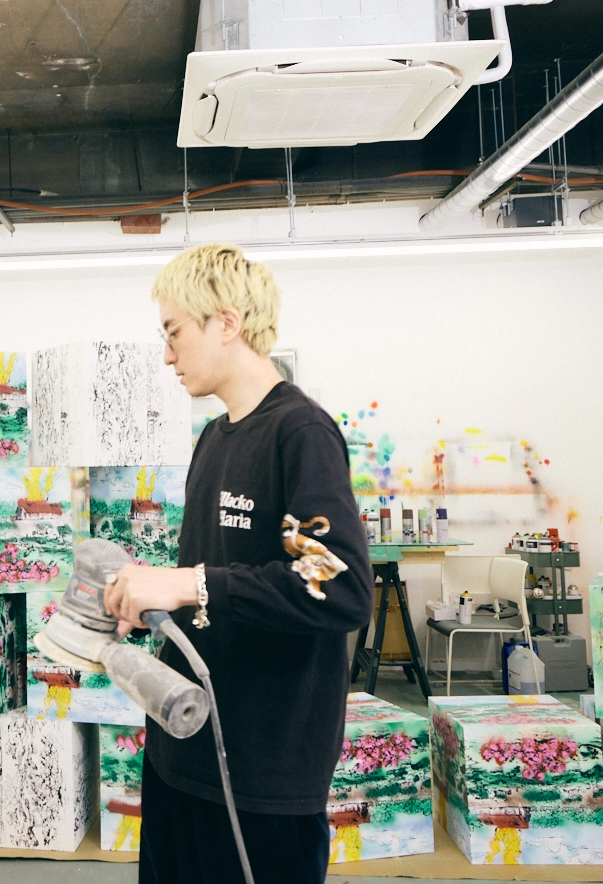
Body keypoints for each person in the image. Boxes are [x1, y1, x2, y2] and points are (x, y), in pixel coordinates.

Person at [104, 243, 374, 884]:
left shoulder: (299, 433)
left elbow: (336, 585)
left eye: (174, 332)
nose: (167, 354)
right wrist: (151, 601)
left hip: (262, 771)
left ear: (225, 323)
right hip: (185, 744)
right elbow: (215, 584)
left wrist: (187, 584)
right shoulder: (213, 435)